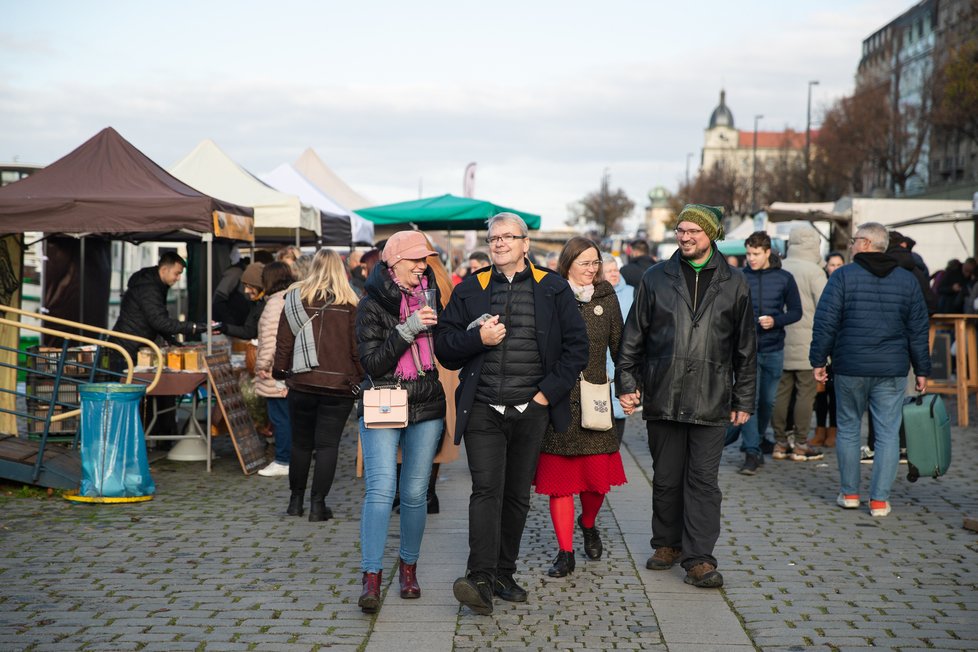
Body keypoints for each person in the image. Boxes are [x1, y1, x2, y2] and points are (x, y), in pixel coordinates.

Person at [434, 212, 588, 615]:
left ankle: (504, 572)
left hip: (531, 408)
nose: (499, 243)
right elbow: (445, 348)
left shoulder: (552, 288)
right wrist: (476, 339)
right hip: (483, 406)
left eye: (507, 237)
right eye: (493, 238)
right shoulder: (469, 288)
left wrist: (544, 396)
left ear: (525, 244)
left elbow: (577, 349)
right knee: (486, 490)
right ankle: (481, 577)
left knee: (517, 494)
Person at [617, 203, 756, 589]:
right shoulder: (656, 277)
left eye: (694, 230)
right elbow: (633, 337)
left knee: (703, 482)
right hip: (665, 390)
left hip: (712, 396)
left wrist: (744, 399)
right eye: (681, 229)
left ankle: (699, 558)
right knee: (665, 478)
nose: (685, 236)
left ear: (712, 234)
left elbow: (746, 347)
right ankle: (666, 543)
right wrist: (627, 384)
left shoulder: (734, 281)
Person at [810, 222, 930, 517]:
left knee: (849, 428)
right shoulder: (906, 281)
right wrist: (922, 369)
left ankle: (850, 493)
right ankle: (879, 501)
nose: (850, 245)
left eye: (853, 241)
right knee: (888, 434)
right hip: (891, 369)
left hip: (850, 365)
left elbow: (826, 322)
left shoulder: (843, 277)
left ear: (865, 243)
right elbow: (918, 329)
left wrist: (818, 360)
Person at [354, 230, 447, 614]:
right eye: (415, 260)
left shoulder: (431, 293)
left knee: (414, 493)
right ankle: (371, 576)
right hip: (384, 401)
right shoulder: (370, 304)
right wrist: (408, 330)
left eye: (425, 260)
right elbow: (373, 364)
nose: (422, 267)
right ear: (392, 263)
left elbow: (446, 344)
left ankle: (408, 568)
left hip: (425, 403)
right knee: (380, 490)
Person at [533, 237, 625, 578]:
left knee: (595, 482)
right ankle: (565, 552)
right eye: (585, 263)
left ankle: (587, 524)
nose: (592, 269)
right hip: (556, 399)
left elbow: (620, 345)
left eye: (595, 262)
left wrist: (628, 387)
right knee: (560, 482)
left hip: (595, 400)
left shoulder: (605, 296)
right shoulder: (552, 294)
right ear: (567, 263)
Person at [272, 249, 364, 522]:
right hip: (339, 385)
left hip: (302, 382)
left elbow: (283, 341)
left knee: (301, 445)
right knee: (327, 446)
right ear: (340, 270)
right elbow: (356, 349)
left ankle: (295, 502)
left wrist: (280, 371)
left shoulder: (296, 299)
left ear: (313, 268)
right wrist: (361, 377)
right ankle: (317, 505)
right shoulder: (351, 304)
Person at [728, 231, 801, 475]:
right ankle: (751, 452)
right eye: (748, 254)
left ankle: (756, 441)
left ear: (768, 252)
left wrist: (776, 320)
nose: (751, 258)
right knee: (749, 401)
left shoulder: (784, 278)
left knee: (767, 401)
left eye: (756, 254)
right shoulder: (739, 277)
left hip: (773, 348)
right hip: (746, 351)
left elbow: (796, 312)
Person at [770, 226, 827, 460]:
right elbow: (826, 307)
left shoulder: (780, 268)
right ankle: (801, 443)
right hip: (809, 343)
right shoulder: (815, 271)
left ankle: (780, 442)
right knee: (806, 394)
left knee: (780, 393)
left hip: (779, 338)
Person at [110, 251, 204, 365]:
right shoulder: (149, 288)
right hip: (127, 350)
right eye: (177, 273)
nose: (178, 278)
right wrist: (193, 327)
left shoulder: (154, 285)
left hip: (130, 347)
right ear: (164, 270)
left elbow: (158, 320)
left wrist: (173, 342)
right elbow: (159, 322)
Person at [254, 262, 296, 478]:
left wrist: (261, 366)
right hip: (290, 368)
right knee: (288, 415)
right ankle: (289, 458)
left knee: (280, 417)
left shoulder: (274, 304)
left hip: (276, 371)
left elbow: (271, 340)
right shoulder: (292, 297)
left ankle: (283, 460)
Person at [812, 251, 845, 447]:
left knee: (834, 391)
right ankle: (820, 429)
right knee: (821, 392)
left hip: (839, 344)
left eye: (838, 265)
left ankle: (833, 430)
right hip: (823, 342)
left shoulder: (844, 284)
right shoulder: (821, 284)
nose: (834, 268)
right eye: (832, 265)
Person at [601, 252, 633, 441]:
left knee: (618, 412)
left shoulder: (631, 292)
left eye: (616, 270)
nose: (614, 274)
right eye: (609, 271)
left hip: (620, 358)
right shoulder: (593, 294)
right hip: (600, 361)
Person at [215, 262, 264, 340]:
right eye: (245, 286)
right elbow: (249, 331)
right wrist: (223, 327)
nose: (246, 291)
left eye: (249, 287)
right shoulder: (255, 304)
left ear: (259, 286)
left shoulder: (269, 304)